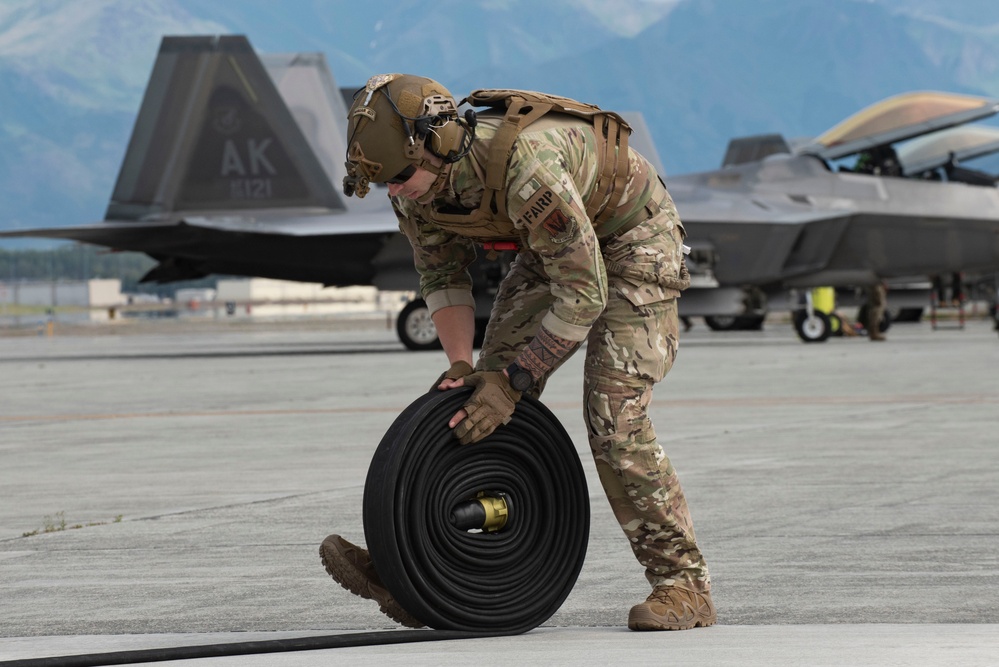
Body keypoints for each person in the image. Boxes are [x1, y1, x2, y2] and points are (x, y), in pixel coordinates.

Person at [320, 74, 714, 632]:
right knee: (479, 397)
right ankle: (422, 572)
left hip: (633, 247)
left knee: (612, 419)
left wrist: (518, 379)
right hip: (553, 249)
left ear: (440, 142)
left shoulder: (525, 166)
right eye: (386, 182)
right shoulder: (411, 187)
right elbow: (440, 273)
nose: (397, 191)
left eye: (402, 177)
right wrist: (463, 365)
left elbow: (585, 293)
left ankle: (684, 586)